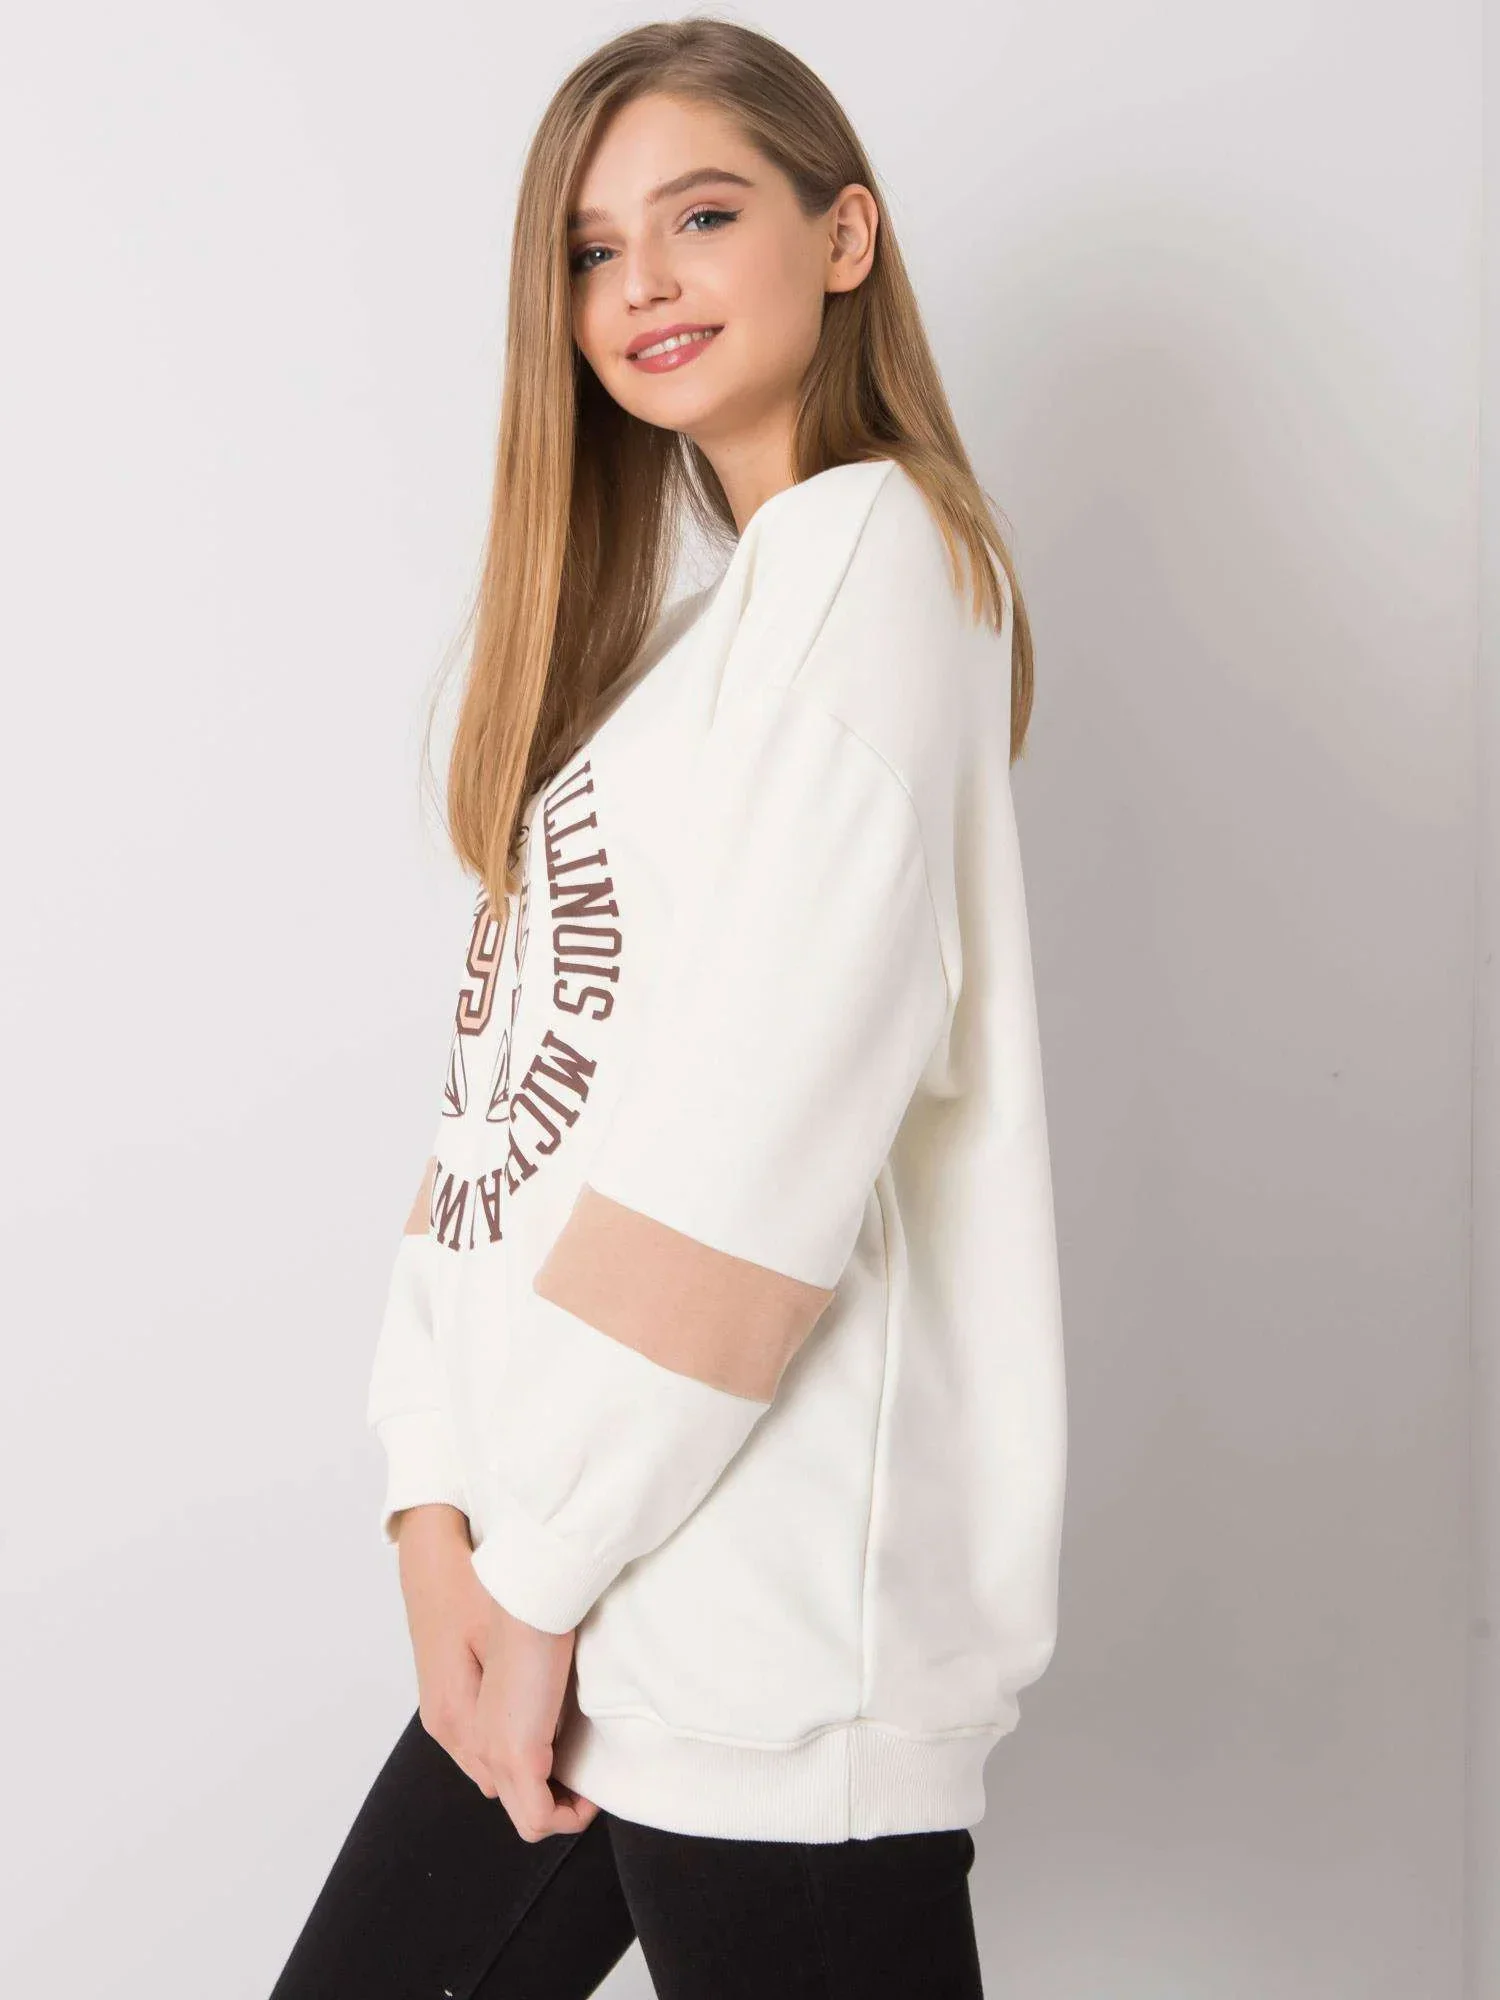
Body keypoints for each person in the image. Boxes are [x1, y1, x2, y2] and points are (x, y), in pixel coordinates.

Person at [270, 16, 1067, 1998]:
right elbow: (498, 1115)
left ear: (844, 236)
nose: (642, 281)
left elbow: (751, 1149)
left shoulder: (875, 565)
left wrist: (526, 1562)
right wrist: (432, 1508)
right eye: (592, 248)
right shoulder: (686, 649)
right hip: (575, 1587)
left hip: (751, 1648)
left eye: (702, 216)